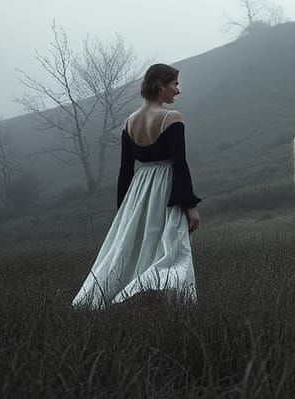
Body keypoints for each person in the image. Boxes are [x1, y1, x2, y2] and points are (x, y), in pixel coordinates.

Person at [72, 63, 202, 309]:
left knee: (135, 248)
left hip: (139, 192)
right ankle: (163, 301)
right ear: (161, 85)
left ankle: (136, 300)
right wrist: (189, 204)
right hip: (164, 188)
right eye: (175, 84)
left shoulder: (129, 122)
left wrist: (124, 209)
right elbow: (179, 163)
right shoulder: (172, 118)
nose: (178, 90)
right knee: (172, 249)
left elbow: (125, 170)